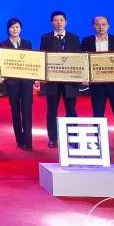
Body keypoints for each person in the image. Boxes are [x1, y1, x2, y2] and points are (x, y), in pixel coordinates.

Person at [40, 11, 81, 148]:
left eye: (61, 20)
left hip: (70, 82)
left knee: (71, 110)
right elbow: (42, 58)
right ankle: (53, 138)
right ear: (52, 22)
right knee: (52, 110)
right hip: (53, 82)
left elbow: (78, 59)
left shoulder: (74, 38)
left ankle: (73, 137)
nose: (59, 23)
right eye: (56, 20)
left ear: (66, 22)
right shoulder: (46, 38)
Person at [0, 18, 33, 151]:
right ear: (8, 29)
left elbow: (32, 62)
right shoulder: (3, 44)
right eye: (12, 27)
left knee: (27, 110)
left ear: (21, 29)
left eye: (17, 27)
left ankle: (28, 141)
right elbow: (2, 62)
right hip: (12, 82)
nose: (15, 30)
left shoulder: (27, 43)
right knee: (15, 111)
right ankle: (19, 140)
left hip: (26, 82)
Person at [82, 15, 114, 119]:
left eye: (104, 24)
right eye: (97, 24)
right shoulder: (86, 41)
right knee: (98, 114)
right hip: (97, 85)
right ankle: (98, 131)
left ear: (108, 26)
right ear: (93, 26)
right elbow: (82, 60)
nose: (101, 27)